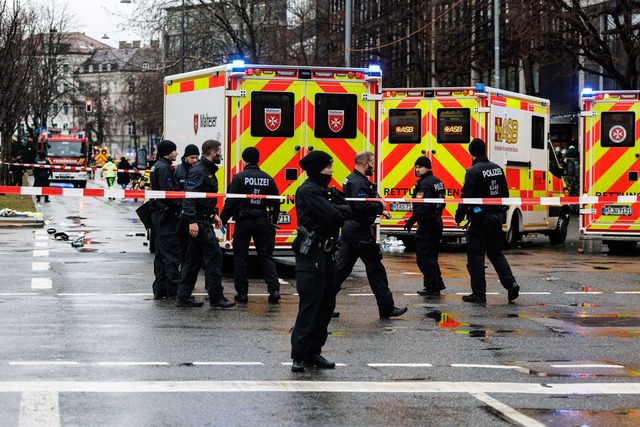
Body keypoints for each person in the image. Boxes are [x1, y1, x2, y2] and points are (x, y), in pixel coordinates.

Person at [290, 150, 351, 373]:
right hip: (312, 254)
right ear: (318, 169)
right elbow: (335, 216)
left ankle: (314, 352)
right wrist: (338, 209)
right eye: (328, 167)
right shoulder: (308, 191)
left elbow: (346, 210)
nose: (332, 170)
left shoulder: (326, 191)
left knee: (327, 303)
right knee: (310, 303)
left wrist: (338, 208)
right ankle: (299, 355)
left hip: (327, 253)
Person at [335, 150, 407, 318]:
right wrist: (380, 207)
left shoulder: (352, 179)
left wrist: (380, 209)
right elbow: (362, 206)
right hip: (359, 231)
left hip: (351, 230)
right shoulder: (359, 183)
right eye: (373, 163)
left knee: (341, 270)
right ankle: (387, 308)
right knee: (375, 269)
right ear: (365, 164)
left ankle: (322, 306)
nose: (374, 166)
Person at [454, 138, 519, 304]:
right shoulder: (497, 169)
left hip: (480, 218)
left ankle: (479, 294)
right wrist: (499, 212)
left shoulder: (473, 171)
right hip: (496, 217)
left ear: (471, 152)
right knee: (495, 253)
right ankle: (511, 283)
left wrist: (459, 217)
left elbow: (466, 197)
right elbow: (505, 194)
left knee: (476, 256)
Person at [175, 139, 235, 309]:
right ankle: (216, 297)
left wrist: (214, 214)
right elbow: (189, 197)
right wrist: (192, 221)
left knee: (193, 261)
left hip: (204, 219)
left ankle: (183, 296)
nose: (221, 155)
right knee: (215, 256)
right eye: (220, 152)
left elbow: (205, 198)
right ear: (212, 152)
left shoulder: (206, 170)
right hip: (199, 223)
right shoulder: (199, 171)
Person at [220, 147, 281, 304]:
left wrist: (223, 219)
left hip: (244, 222)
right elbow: (275, 201)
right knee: (266, 256)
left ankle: (242, 294)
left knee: (240, 257)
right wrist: (273, 221)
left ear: (244, 160)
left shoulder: (239, 178)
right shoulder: (268, 178)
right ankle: (274, 291)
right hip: (262, 221)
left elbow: (232, 200)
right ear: (258, 159)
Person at [404, 156, 446, 298]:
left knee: (424, 258)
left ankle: (432, 287)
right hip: (436, 223)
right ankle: (437, 283)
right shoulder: (437, 182)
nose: (417, 169)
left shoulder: (425, 184)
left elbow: (424, 207)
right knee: (432, 256)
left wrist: (411, 220)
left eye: (420, 167)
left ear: (428, 168)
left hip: (427, 225)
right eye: (416, 167)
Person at [149, 140, 182, 300]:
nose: (177, 153)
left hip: (159, 215)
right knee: (171, 255)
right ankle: (174, 291)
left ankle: (160, 289)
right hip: (166, 216)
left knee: (161, 255)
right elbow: (169, 194)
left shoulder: (157, 166)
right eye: (175, 150)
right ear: (168, 152)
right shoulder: (164, 168)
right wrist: (180, 204)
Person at [175, 143, 201, 263]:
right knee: (183, 247)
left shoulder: (200, 170)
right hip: (181, 214)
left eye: (197, 157)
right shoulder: (178, 170)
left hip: (197, 213)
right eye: (192, 158)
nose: (195, 160)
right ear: (185, 157)